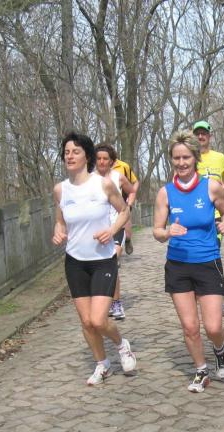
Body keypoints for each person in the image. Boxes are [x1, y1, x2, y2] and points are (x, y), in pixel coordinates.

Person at [52, 132, 137, 385]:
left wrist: (111, 231)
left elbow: (124, 211)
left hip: (102, 260)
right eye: (66, 152)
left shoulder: (103, 184)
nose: (70, 156)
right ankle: (103, 365)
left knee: (99, 320)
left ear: (87, 156)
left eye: (75, 152)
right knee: (87, 322)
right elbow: (60, 221)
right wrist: (58, 231)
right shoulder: (60, 190)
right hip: (75, 262)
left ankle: (121, 345)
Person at [153, 130, 224, 393]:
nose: (181, 163)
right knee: (189, 327)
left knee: (213, 326)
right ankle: (201, 370)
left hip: (208, 262)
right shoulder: (165, 193)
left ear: (195, 157)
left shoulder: (211, 186)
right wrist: (167, 232)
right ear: (171, 160)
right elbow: (157, 231)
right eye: (176, 158)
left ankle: (219, 350)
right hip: (178, 265)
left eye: (186, 157)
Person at [193, 120, 224, 316]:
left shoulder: (220, 158)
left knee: (213, 253)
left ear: (209, 136)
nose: (201, 137)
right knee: (195, 255)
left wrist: (223, 186)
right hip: (195, 215)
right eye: (197, 134)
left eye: (204, 133)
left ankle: (217, 298)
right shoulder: (189, 158)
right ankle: (198, 294)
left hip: (215, 215)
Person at [95, 143, 137, 320]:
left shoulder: (118, 177)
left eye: (105, 159)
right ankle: (105, 301)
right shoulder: (89, 179)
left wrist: (128, 204)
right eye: (98, 158)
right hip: (98, 229)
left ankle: (116, 303)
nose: (102, 162)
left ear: (112, 161)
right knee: (102, 266)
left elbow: (132, 190)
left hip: (116, 226)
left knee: (111, 261)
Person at [111, 151, 140, 256]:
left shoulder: (123, 166)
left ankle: (127, 240)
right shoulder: (97, 167)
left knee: (126, 231)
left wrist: (130, 198)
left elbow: (135, 182)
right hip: (107, 203)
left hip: (123, 201)